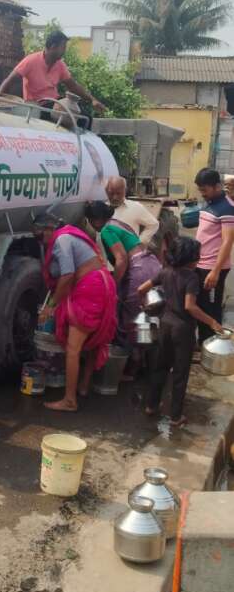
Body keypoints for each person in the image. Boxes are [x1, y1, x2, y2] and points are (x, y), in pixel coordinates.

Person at [34, 213, 117, 411]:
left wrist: (50, 306)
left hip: (90, 288)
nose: (39, 240)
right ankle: (83, 386)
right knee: (93, 339)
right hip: (103, 283)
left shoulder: (61, 240)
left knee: (73, 348)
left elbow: (67, 275)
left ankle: (69, 401)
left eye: (39, 235)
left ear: (49, 229)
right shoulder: (69, 234)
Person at [138, 237, 223, 427]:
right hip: (183, 330)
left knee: (160, 367)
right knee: (180, 373)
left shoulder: (165, 271)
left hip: (165, 325)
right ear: (191, 258)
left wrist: (145, 306)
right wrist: (212, 322)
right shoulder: (192, 278)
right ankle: (175, 416)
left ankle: (151, 405)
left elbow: (141, 289)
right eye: (198, 256)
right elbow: (190, 306)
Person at [85, 201, 161, 348]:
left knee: (133, 316)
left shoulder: (106, 230)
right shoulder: (118, 223)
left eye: (90, 220)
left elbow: (121, 259)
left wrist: (113, 286)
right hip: (151, 264)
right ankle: (150, 353)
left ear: (96, 219)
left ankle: (134, 355)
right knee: (148, 313)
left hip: (138, 270)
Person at [0, 30, 107, 113]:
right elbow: (9, 81)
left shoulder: (60, 65)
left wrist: (92, 100)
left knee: (83, 116)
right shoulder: (31, 61)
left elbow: (73, 86)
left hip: (54, 103)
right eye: (63, 47)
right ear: (53, 47)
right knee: (64, 112)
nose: (64, 51)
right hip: (36, 106)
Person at [194, 167, 234, 342]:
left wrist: (215, 272)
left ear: (217, 186)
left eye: (204, 190)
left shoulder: (227, 208)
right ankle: (204, 344)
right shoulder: (210, 202)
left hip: (212, 267)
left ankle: (212, 346)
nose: (202, 193)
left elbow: (227, 242)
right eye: (200, 190)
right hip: (201, 265)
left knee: (210, 309)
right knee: (200, 306)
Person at [105, 176, 159, 247]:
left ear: (125, 191)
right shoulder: (101, 208)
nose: (115, 197)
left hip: (129, 252)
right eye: (111, 193)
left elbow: (153, 224)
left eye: (118, 193)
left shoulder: (135, 207)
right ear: (106, 191)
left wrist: (139, 242)